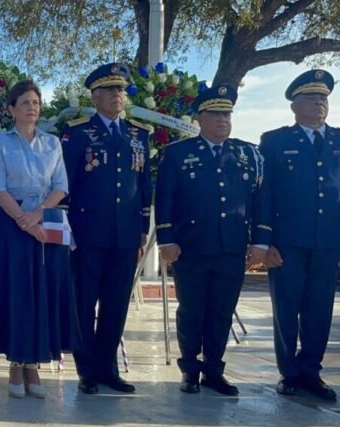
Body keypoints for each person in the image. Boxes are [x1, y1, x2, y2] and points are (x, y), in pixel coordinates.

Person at [156, 85, 262, 396]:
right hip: (192, 246)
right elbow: (165, 198)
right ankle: (190, 369)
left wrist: (260, 242)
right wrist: (166, 238)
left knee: (222, 312)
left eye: (226, 114)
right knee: (192, 310)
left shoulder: (246, 154)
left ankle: (214, 370)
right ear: (200, 118)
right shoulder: (178, 153)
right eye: (215, 114)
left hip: (232, 247)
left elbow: (258, 200)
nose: (222, 120)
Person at [0, 79, 77, 399]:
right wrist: (23, 219)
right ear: (11, 109)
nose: (32, 108)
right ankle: (16, 362)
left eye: (35, 102)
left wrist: (37, 215)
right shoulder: (2, 143)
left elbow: (61, 185)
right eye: (25, 103)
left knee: (43, 292)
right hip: (13, 224)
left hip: (46, 223)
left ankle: (34, 363)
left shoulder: (52, 143)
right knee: (17, 293)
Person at [60, 63, 152, 394]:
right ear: (95, 96)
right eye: (110, 90)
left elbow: (144, 184)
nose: (118, 95)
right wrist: (66, 230)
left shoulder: (138, 134)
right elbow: (66, 183)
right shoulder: (77, 133)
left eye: (121, 90)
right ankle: (86, 369)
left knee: (116, 304)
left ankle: (108, 367)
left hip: (125, 234)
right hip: (87, 232)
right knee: (84, 302)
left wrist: (142, 227)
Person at [248, 69, 339, 401]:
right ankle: (289, 372)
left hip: (328, 241)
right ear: (294, 105)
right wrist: (264, 241)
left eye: (323, 97)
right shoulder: (276, 141)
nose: (319, 102)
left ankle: (311, 372)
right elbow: (264, 194)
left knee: (319, 309)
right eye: (311, 97)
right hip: (287, 242)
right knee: (286, 308)